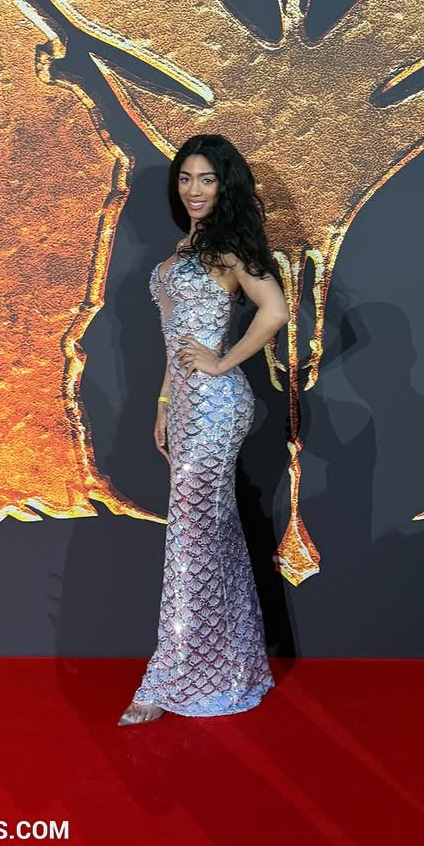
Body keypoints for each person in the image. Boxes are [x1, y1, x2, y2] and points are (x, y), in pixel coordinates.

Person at [118, 133, 290, 725]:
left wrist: (221, 361)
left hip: (217, 406)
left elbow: (275, 311)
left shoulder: (228, 249)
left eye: (207, 179)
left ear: (225, 186)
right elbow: (174, 343)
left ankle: (171, 677)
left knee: (190, 540)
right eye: (186, 178)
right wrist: (164, 402)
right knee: (209, 536)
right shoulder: (182, 251)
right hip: (187, 405)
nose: (194, 189)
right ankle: (233, 665)